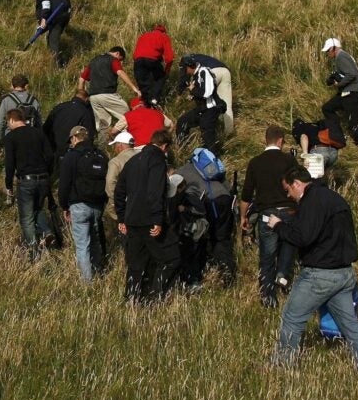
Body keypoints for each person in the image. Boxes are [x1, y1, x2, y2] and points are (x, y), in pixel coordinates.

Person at [267, 167, 358, 381]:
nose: (288, 196)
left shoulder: (311, 201)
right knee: (352, 327)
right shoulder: (333, 198)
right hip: (344, 273)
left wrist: (279, 225)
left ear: (297, 184)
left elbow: (303, 237)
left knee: (292, 318)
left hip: (319, 275)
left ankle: (282, 368)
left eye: (288, 190)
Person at [114, 130, 181, 304]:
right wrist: (158, 220)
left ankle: (132, 298)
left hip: (132, 220)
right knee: (170, 258)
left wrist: (122, 217)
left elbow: (119, 191)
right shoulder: (158, 161)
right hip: (150, 220)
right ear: (165, 146)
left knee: (136, 263)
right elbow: (155, 192)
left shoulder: (133, 161)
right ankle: (155, 296)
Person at [240, 125, 300, 307]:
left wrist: (243, 217)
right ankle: (283, 274)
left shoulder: (255, 162)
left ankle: (268, 298)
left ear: (266, 140)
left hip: (266, 214)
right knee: (289, 243)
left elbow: (246, 194)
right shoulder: (289, 160)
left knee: (267, 255)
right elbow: (299, 184)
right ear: (280, 141)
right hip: (288, 211)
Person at [175, 151, 236, 289]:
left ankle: (202, 272)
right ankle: (228, 275)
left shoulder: (183, 170)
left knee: (202, 237)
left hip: (206, 202)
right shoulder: (213, 170)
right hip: (225, 200)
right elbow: (229, 187)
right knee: (223, 238)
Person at [3, 108, 55, 257]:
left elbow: (9, 163)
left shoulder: (10, 137)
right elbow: (50, 155)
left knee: (26, 218)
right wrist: (47, 172)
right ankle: (46, 231)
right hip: (43, 178)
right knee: (37, 209)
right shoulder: (38, 132)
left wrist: (8, 185)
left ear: (12, 120)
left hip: (26, 180)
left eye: (8, 122)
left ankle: (34, 253)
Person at [59, 126, 108, 282]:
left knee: (82, 245)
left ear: (74, 138)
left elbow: (64, 183)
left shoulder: (71, 156)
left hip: (79, 205)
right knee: (95, 241)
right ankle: (99, 273)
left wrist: (64, 206)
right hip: (98, 205)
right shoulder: (101, 155)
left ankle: (87, 283)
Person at [79, 47, 141, 142]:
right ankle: (128, 142)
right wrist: (134, 88)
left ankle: (103, 147)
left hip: (93, 97)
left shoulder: (93, 61)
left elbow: (82, 79)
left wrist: (81, 94)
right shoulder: (113, 60)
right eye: (120, 59)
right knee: (127, 115)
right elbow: (120, 72)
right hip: (107, 94)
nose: (120, 62)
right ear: (117, 53)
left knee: (103, 125)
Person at [320, 37, 358, 146]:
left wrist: (339, 83)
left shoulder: (341, 57)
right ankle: (339, 133)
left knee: (354, 119)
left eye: (327, 51)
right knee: (327, 108)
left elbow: (352, 74)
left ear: (333, 48)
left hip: (351, 93)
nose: (327, 54)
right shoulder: (343, 56)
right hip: (347, 92)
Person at [177, 55, 227, 154]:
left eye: (185, 69)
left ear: (190, 66)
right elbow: (201, 93)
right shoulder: (196, 75)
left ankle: (213, 162)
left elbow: (207, 92)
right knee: (182, 122)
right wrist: (193, 96)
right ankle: (183, 150)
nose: (185, 72)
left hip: (210, 110)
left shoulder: (204, 71)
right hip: (202, 109)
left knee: (208, 137)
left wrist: (193, 90)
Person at [0, 74, 42, 157]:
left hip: (11, 137)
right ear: (26, 86)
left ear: (12, 86)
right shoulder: (34, 100)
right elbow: (39, 124)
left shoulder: (6, 100)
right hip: (30, 138)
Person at [31, 0, 72, 67]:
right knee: (51, 38)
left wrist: (43, 19)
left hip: (56, 17)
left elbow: (46, 4)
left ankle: (57, 66)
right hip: (65, 15)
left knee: (53, 40)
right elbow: (67, 0)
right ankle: (53, 60)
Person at [43, 88, 96, 159]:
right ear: (86, 99)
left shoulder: (59, 107)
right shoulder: (85, 112)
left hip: (53, 148)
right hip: (71, 152)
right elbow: (89, 135)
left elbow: (46, 127)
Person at [104, 131, 138, 239]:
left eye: (115, 145)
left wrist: (116, 202)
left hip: (124, 204)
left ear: (120, 146)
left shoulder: (116, 161)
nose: (115, 148)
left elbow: (110, 182)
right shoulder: (142, 156)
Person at [132, 24, 174, 106]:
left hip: (138, 61)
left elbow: (135, 53)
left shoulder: (143, 35)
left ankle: (145, 103)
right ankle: (154, 99)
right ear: (164, 32)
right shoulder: (164, 36)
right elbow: (170, 57)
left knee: (144, 84)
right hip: (152, 59)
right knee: (160, 78)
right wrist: (167, 70)